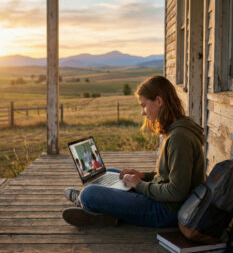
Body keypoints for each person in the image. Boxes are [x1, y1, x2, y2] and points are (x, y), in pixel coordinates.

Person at [63, 75, 206, 228]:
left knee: (88, 194)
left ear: (158, 101)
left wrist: (139, 185)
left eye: (144, 105)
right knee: (112, 173)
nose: (143, 113)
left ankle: (85, 202)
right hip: (162, 199)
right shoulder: (177, 128)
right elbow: (167, 175)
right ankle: (106, 215)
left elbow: (177, 192)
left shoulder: (179, 138)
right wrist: (143, 176)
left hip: (166, 211)